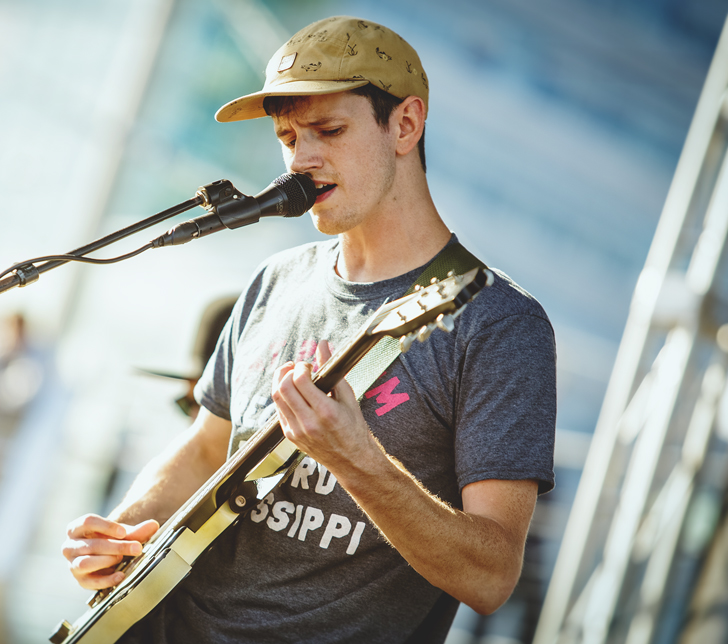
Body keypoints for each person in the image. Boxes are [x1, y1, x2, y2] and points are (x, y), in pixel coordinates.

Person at [63, 15, 556, 643]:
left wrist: (357, 460)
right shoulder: (276, 278)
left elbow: (491, 577)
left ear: (405, 124)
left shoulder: (503, 326)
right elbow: (206, 449)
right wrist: (122, 529)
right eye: (288, 136)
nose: (301, 160)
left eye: (329, 130)